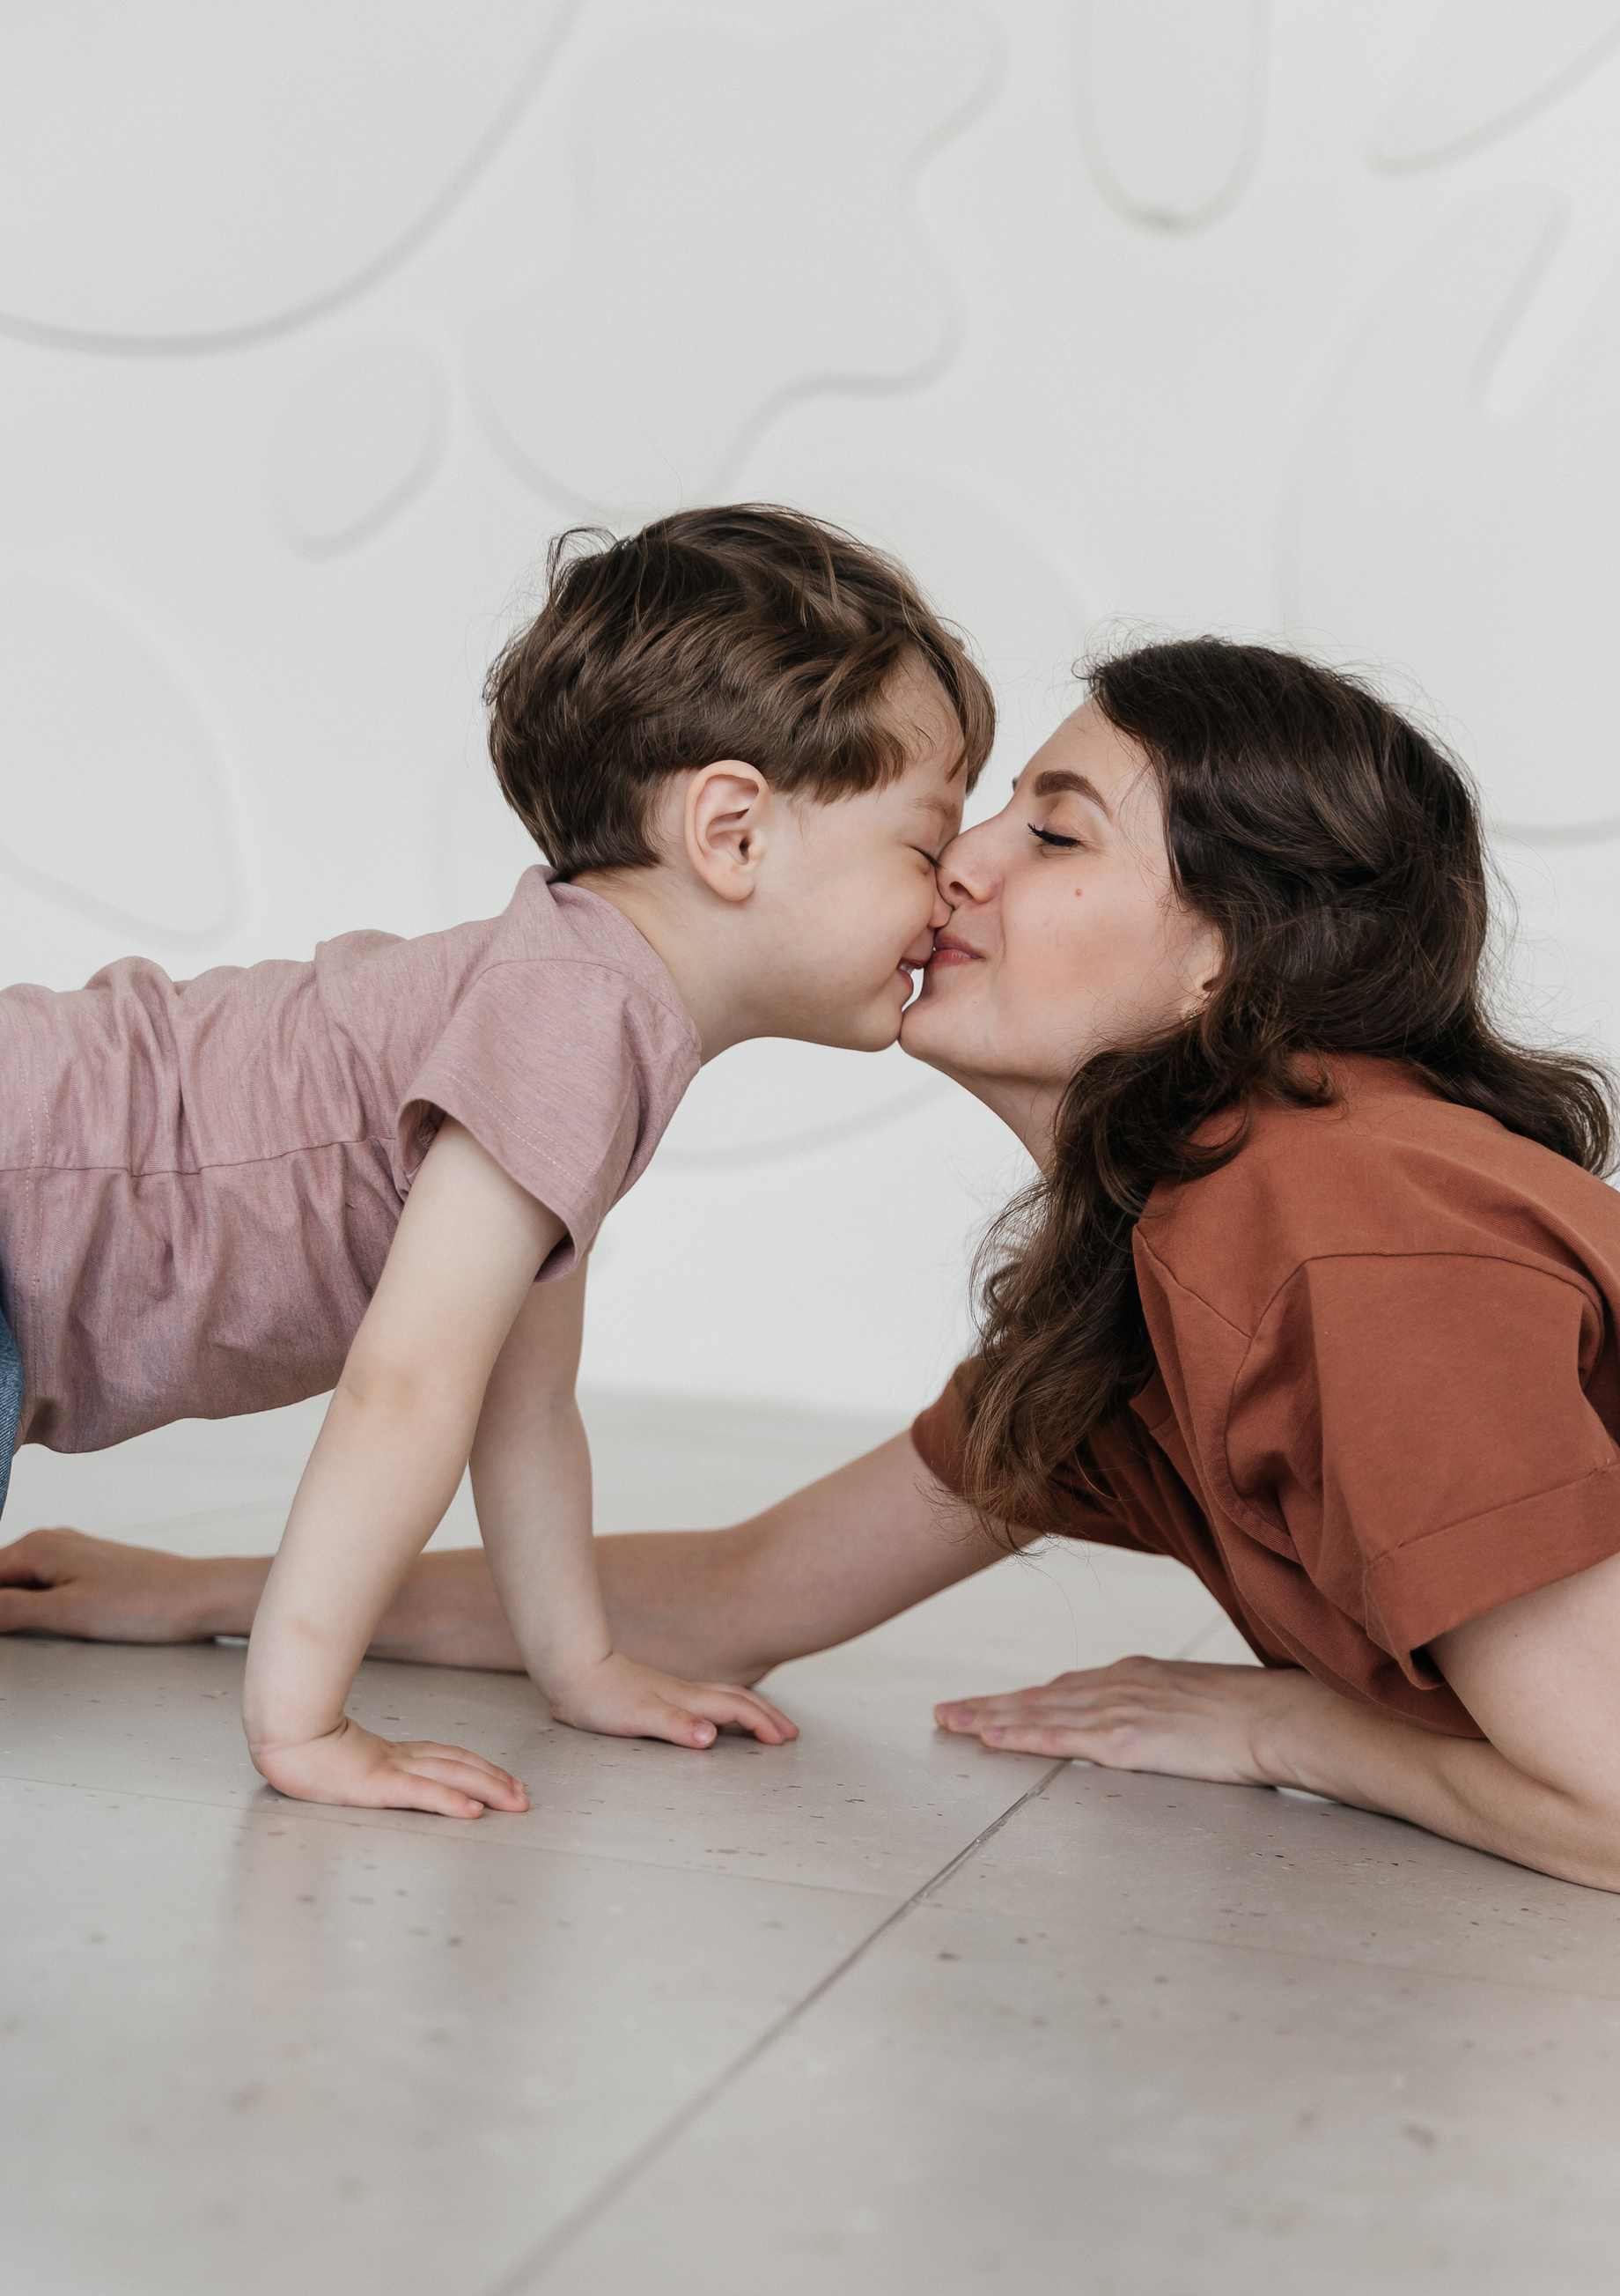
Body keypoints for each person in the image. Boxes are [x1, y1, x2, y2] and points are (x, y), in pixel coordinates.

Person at [9, 638, 1620, 1905]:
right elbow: (737, 1598)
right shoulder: (1176, 1258)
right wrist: (205, 1595)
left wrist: (1282, 1730)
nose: (961, 862)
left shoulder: (1349, 1237)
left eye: (1054, 832)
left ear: (1230, 956)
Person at [0, 506, 992, 1819]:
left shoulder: (584, 1001)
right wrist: (304, 1725)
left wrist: (581, 1667)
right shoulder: (575, 1016)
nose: (955, 888)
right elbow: (405, 1387)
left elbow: (525, 1405)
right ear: (733, 831)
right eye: (926, 843)